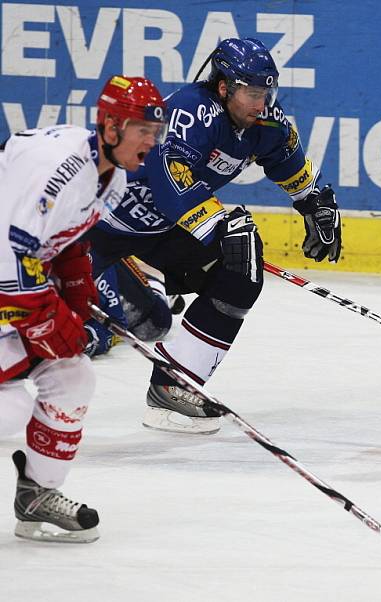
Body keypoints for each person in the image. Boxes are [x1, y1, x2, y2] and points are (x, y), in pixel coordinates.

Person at [83, 37, 343, 435]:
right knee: (43, 327)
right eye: (252, 93)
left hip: (159, 232)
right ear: (225, 87)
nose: (261, 103)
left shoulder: (264, 124)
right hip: (92, 229)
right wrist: (219, 224)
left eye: (266, 92)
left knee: (238, 268)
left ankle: (173, 384)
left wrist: (315, 204)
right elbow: (171, 182)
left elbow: (288, 161)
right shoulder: (190, 110)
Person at [0, 75, 167, 541]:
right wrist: (48, 322)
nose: (151, 142)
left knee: (73, 377)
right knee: (8, 408)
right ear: (111, 127)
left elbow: (68, 242)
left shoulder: (110, 177)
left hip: (10, 283)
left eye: (156, 131)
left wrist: (76, 294)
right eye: (142, 130)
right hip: (4, 278)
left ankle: (37, 494)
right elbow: (10, 262)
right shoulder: (57, 171)